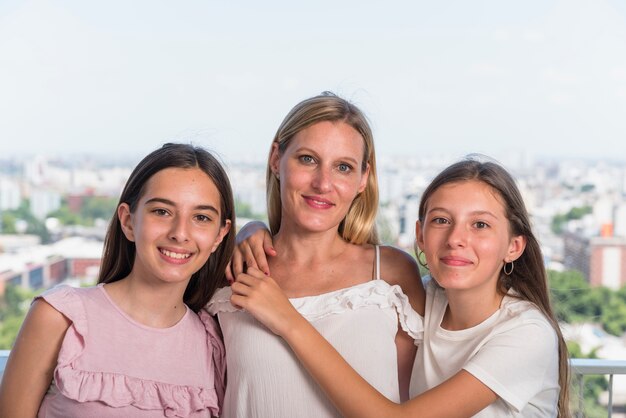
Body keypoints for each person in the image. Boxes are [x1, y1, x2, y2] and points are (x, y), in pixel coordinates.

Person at [231, 158, 571, 417]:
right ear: (420, 235)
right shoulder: (419, 298)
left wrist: (288, 321)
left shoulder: (528, 334)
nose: (456, 239)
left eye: (480, 224)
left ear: (514, 246)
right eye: (441, 221)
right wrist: (254, 231)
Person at [207, 92, 425, 418]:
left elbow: (414, 399)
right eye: (308, 159)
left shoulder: (392, 273)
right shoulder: (233, 271)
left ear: (363, 179)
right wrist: (246, 231)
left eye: (343, 167)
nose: (324, 183)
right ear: (276, 159)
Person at [0, 143, 235, 418]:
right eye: (162, 211)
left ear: (220, 235)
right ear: (127, 221)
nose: (180, 233)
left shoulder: (214, 344)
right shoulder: (59, 318)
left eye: (201, 217)